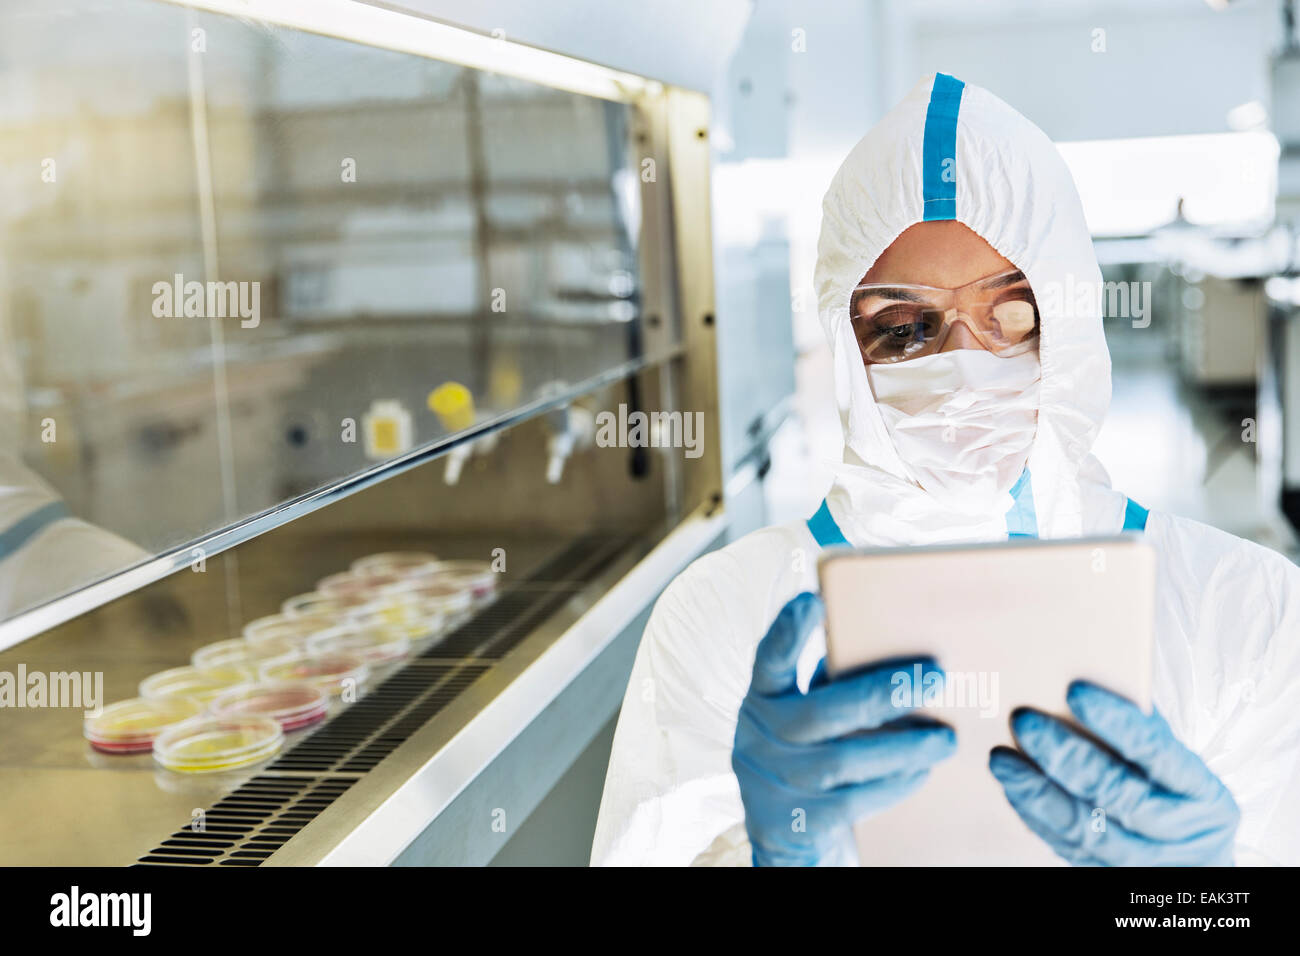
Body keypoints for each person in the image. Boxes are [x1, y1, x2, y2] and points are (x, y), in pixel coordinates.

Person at [590, 73, 1300, 866]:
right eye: (906, 328)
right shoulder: (724, 620)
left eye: (1012, 313)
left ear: (1069, 318)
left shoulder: (1246, 613)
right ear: (844, 349)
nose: (966, 367)